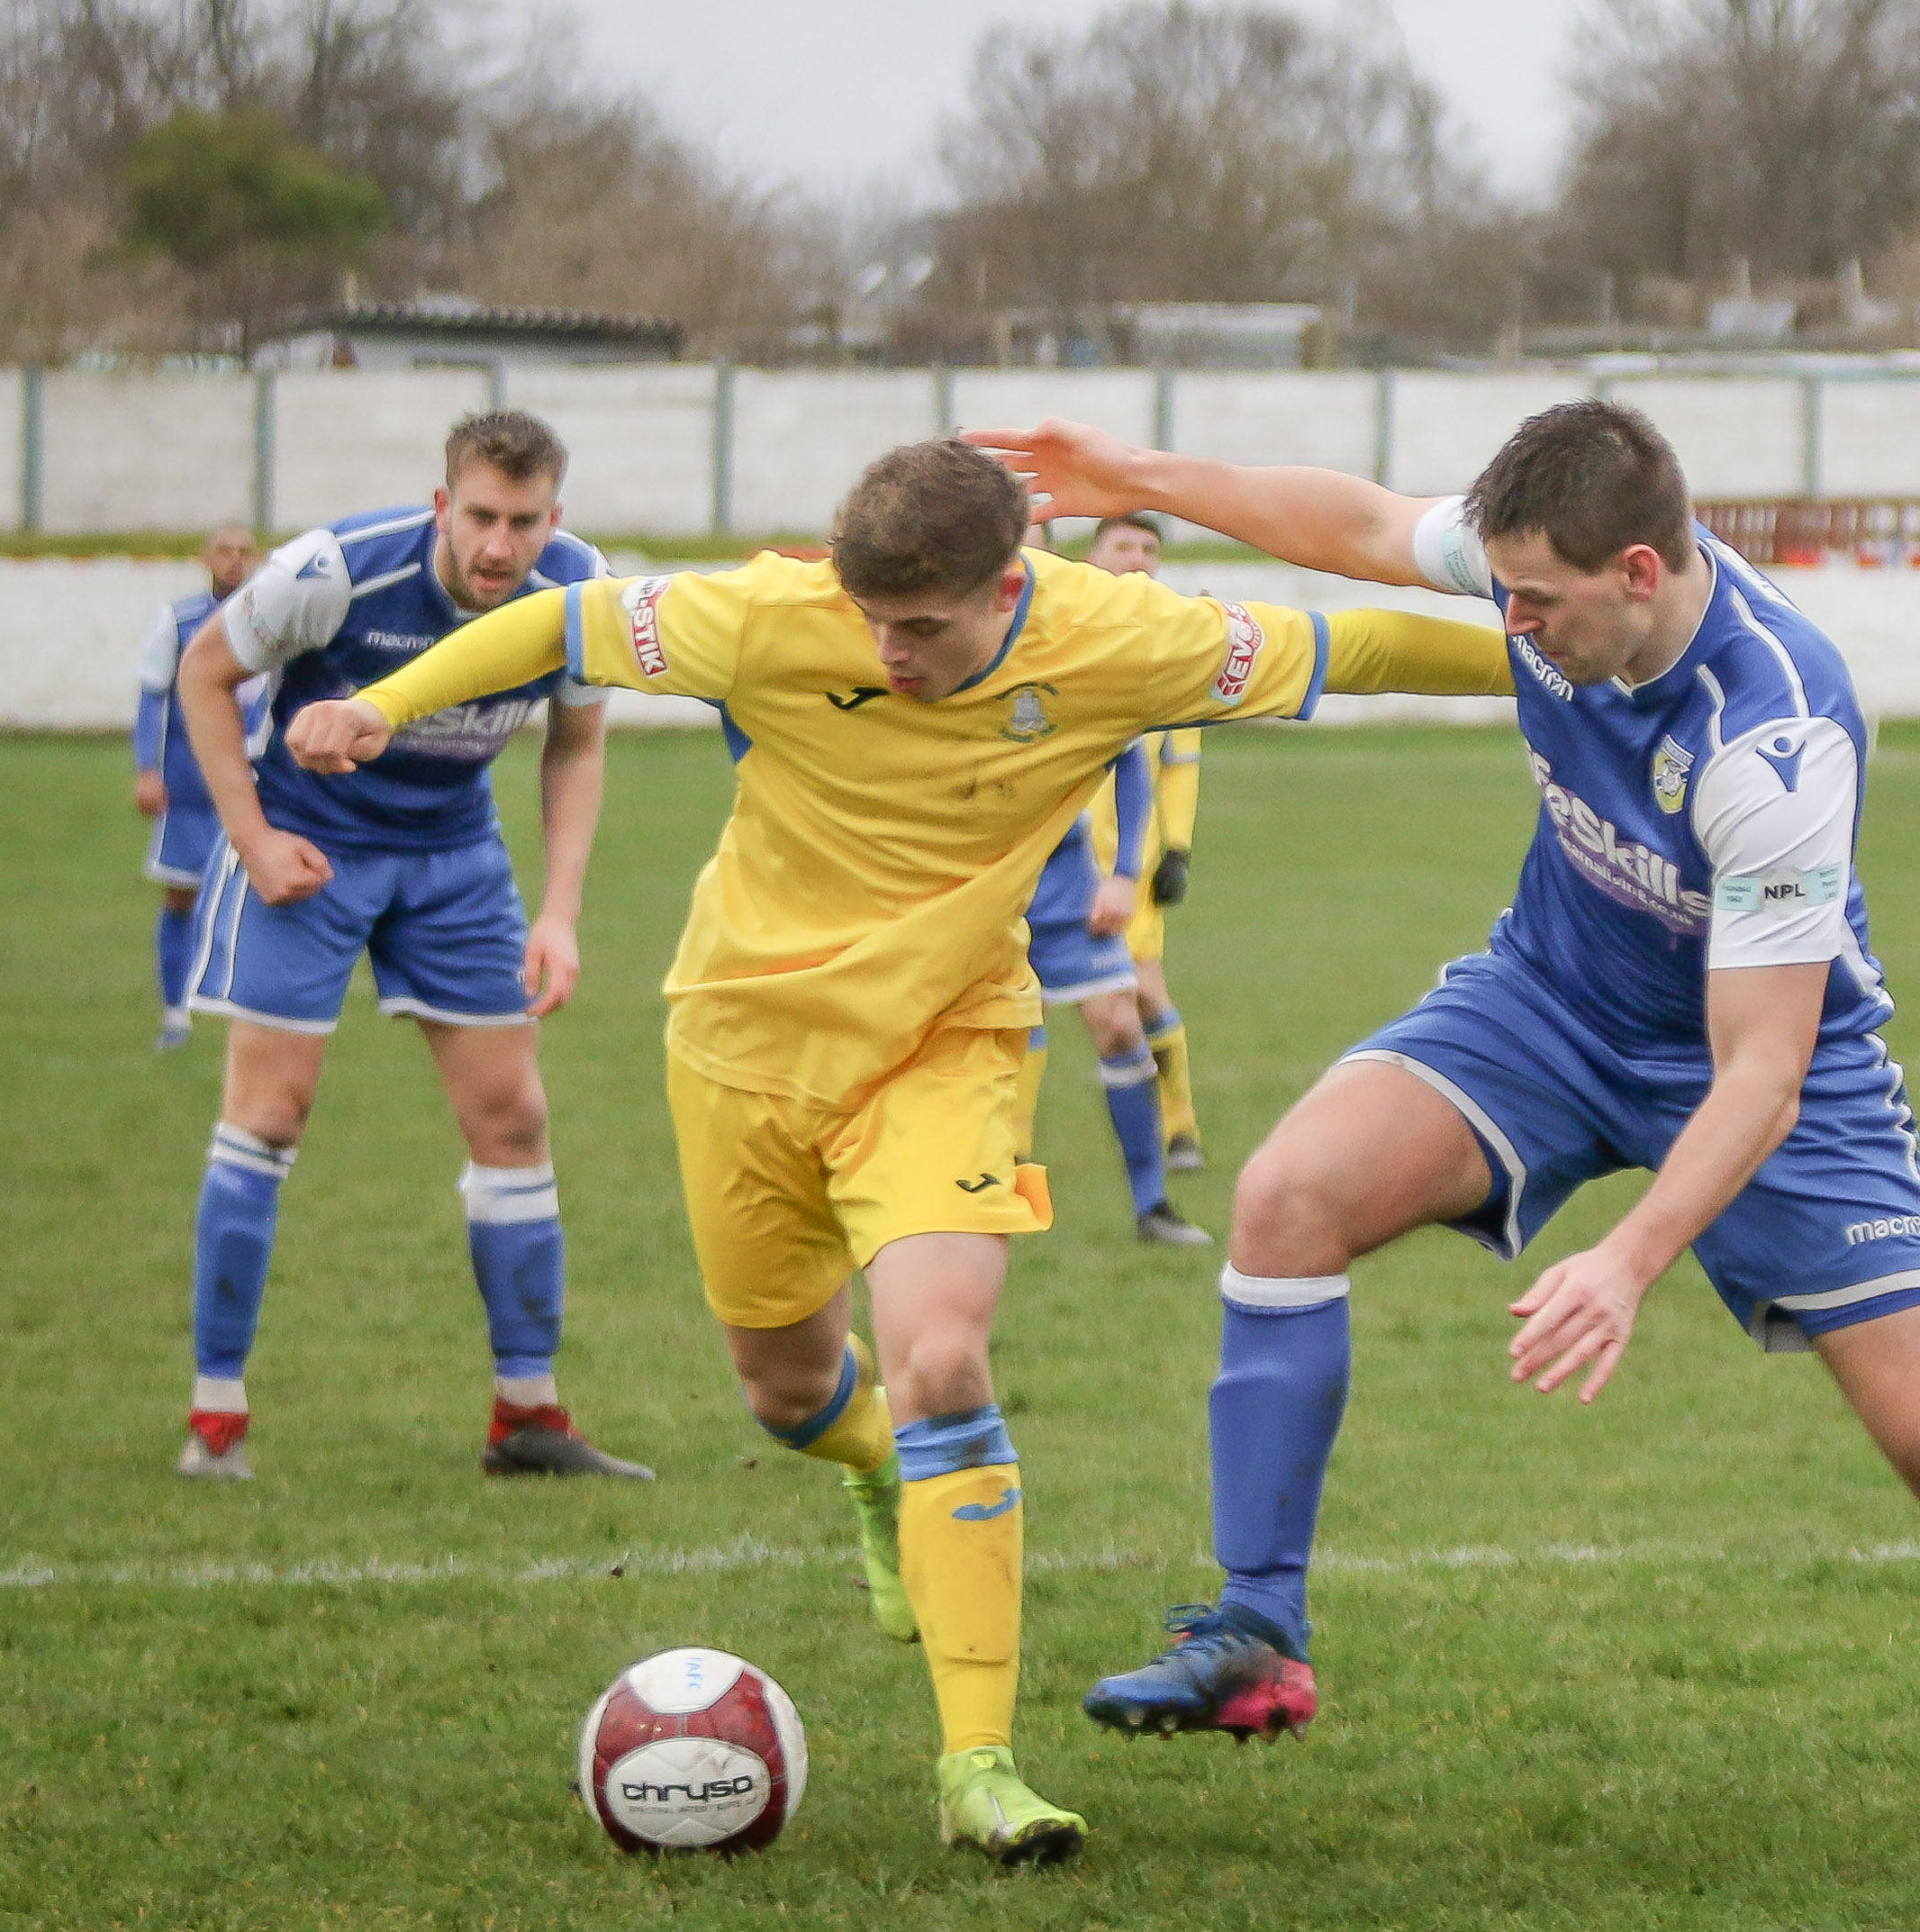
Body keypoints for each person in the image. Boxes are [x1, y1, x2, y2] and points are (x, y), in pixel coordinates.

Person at [975, 400, 1920, 1880]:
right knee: (1289, 1194)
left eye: (1538, 604)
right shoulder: (1540, 575)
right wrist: (1137, 476)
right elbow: (1355, 524)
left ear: (1635, 569)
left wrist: (1625, 1260)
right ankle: (1257, 1633)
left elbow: (1761, 1072)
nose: (1514, 626)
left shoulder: (1775, 733)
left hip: (1767, 1077)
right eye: (1506, 594)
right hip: (1547, 1004)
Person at [288, 436, 1513, 1865]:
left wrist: (1562, 668)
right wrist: (381, 703)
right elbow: (564, 620)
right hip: (741, 1043)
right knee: (791, 1389)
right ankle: (872, 1466)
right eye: (871, 618)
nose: (888, 647)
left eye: (921, 625)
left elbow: (1349, 645)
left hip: (950, 1045)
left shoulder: (1117, 632)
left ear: (1010, 583)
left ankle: (979, 1766)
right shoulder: (773, 609)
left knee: (940, 1358)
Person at [169, 413, 642, 1484]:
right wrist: (253, 838)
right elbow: (205, 674)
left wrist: (559, 911)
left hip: (454, 856)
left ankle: (527, 1416)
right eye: (479, 516)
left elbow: (575, 745)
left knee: (515, 1119)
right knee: (268, 1117)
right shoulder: (339, 572)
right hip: (313, 848)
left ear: (552, 521)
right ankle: (216, 1422)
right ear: (443, 505)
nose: (497, 546)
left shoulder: (577, 591)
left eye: (522, 523)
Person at [1012, 731, 1204, 1246]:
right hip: (987, 881)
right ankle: (1013, 1195)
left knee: (1121, 1026)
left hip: (1070, 884)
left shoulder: (1075, 664)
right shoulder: (956, 670)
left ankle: (1152, 1205)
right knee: (1008, 1033)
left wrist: (1124, 874)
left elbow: (1128, 753)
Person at [1079, 512, 1209, 1172]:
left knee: (1143, 992)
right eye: (1123, 545)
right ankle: (1006, 1153)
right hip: (1048, 860)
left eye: (1148, 548)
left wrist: (1176, 849)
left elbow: (1179, 759)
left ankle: (1178, 1125)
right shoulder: (1064, 632)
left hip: (1129, 864)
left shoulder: (1169, 647)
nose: (1136, 557)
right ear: (1093, 556)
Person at [135, 519, 260, 1048]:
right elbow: (151, 697)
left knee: (264, 897)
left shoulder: (275, 617)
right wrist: (148, 769)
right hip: (192, 785)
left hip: (259, 781)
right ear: (205, 559)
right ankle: (175, 1013)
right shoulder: (180, 621)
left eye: (244, 551)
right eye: (224, 551)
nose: (234, 560)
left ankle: (250, 1009)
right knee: (182, 897)